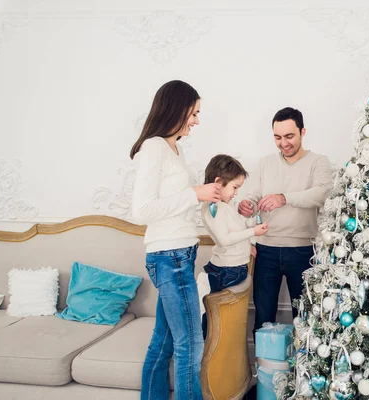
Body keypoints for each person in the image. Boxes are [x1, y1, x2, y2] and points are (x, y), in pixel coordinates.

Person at [130, 80, 219, 400]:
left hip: (180, 252)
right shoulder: (154, 147)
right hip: (169, 256)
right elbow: (142, 211)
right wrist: (194, 193)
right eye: (193, 112)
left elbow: (178, 204)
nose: (196, 120)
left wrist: (206, 198)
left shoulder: (174, 148)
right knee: (190, 346)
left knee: (165, 342)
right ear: (177, 109)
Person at [238, 107, 333, 334]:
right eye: (278, 138)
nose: (284, 143)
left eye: (289, 136)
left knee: (305, 317)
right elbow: (253, 196)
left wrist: (284, 198)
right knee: (263, 316)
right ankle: (262, 369)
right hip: (266, 250)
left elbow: (321, 194)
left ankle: (303, 369)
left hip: (302, 251)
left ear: (302, 132)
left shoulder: (318, 162)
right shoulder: (265, 162)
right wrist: (247, 206)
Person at [200, 154, 268, 339]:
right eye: (235, 187)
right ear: (218, 182)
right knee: (219, 319)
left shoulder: (227, 205)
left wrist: (257, 218)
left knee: (226, 318)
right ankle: (209, 350)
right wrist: (253, 232)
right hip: (227, 270)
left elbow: (240, 225)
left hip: (234, 267)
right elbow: (225, 239)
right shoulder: (213, 208)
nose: (236, 192)